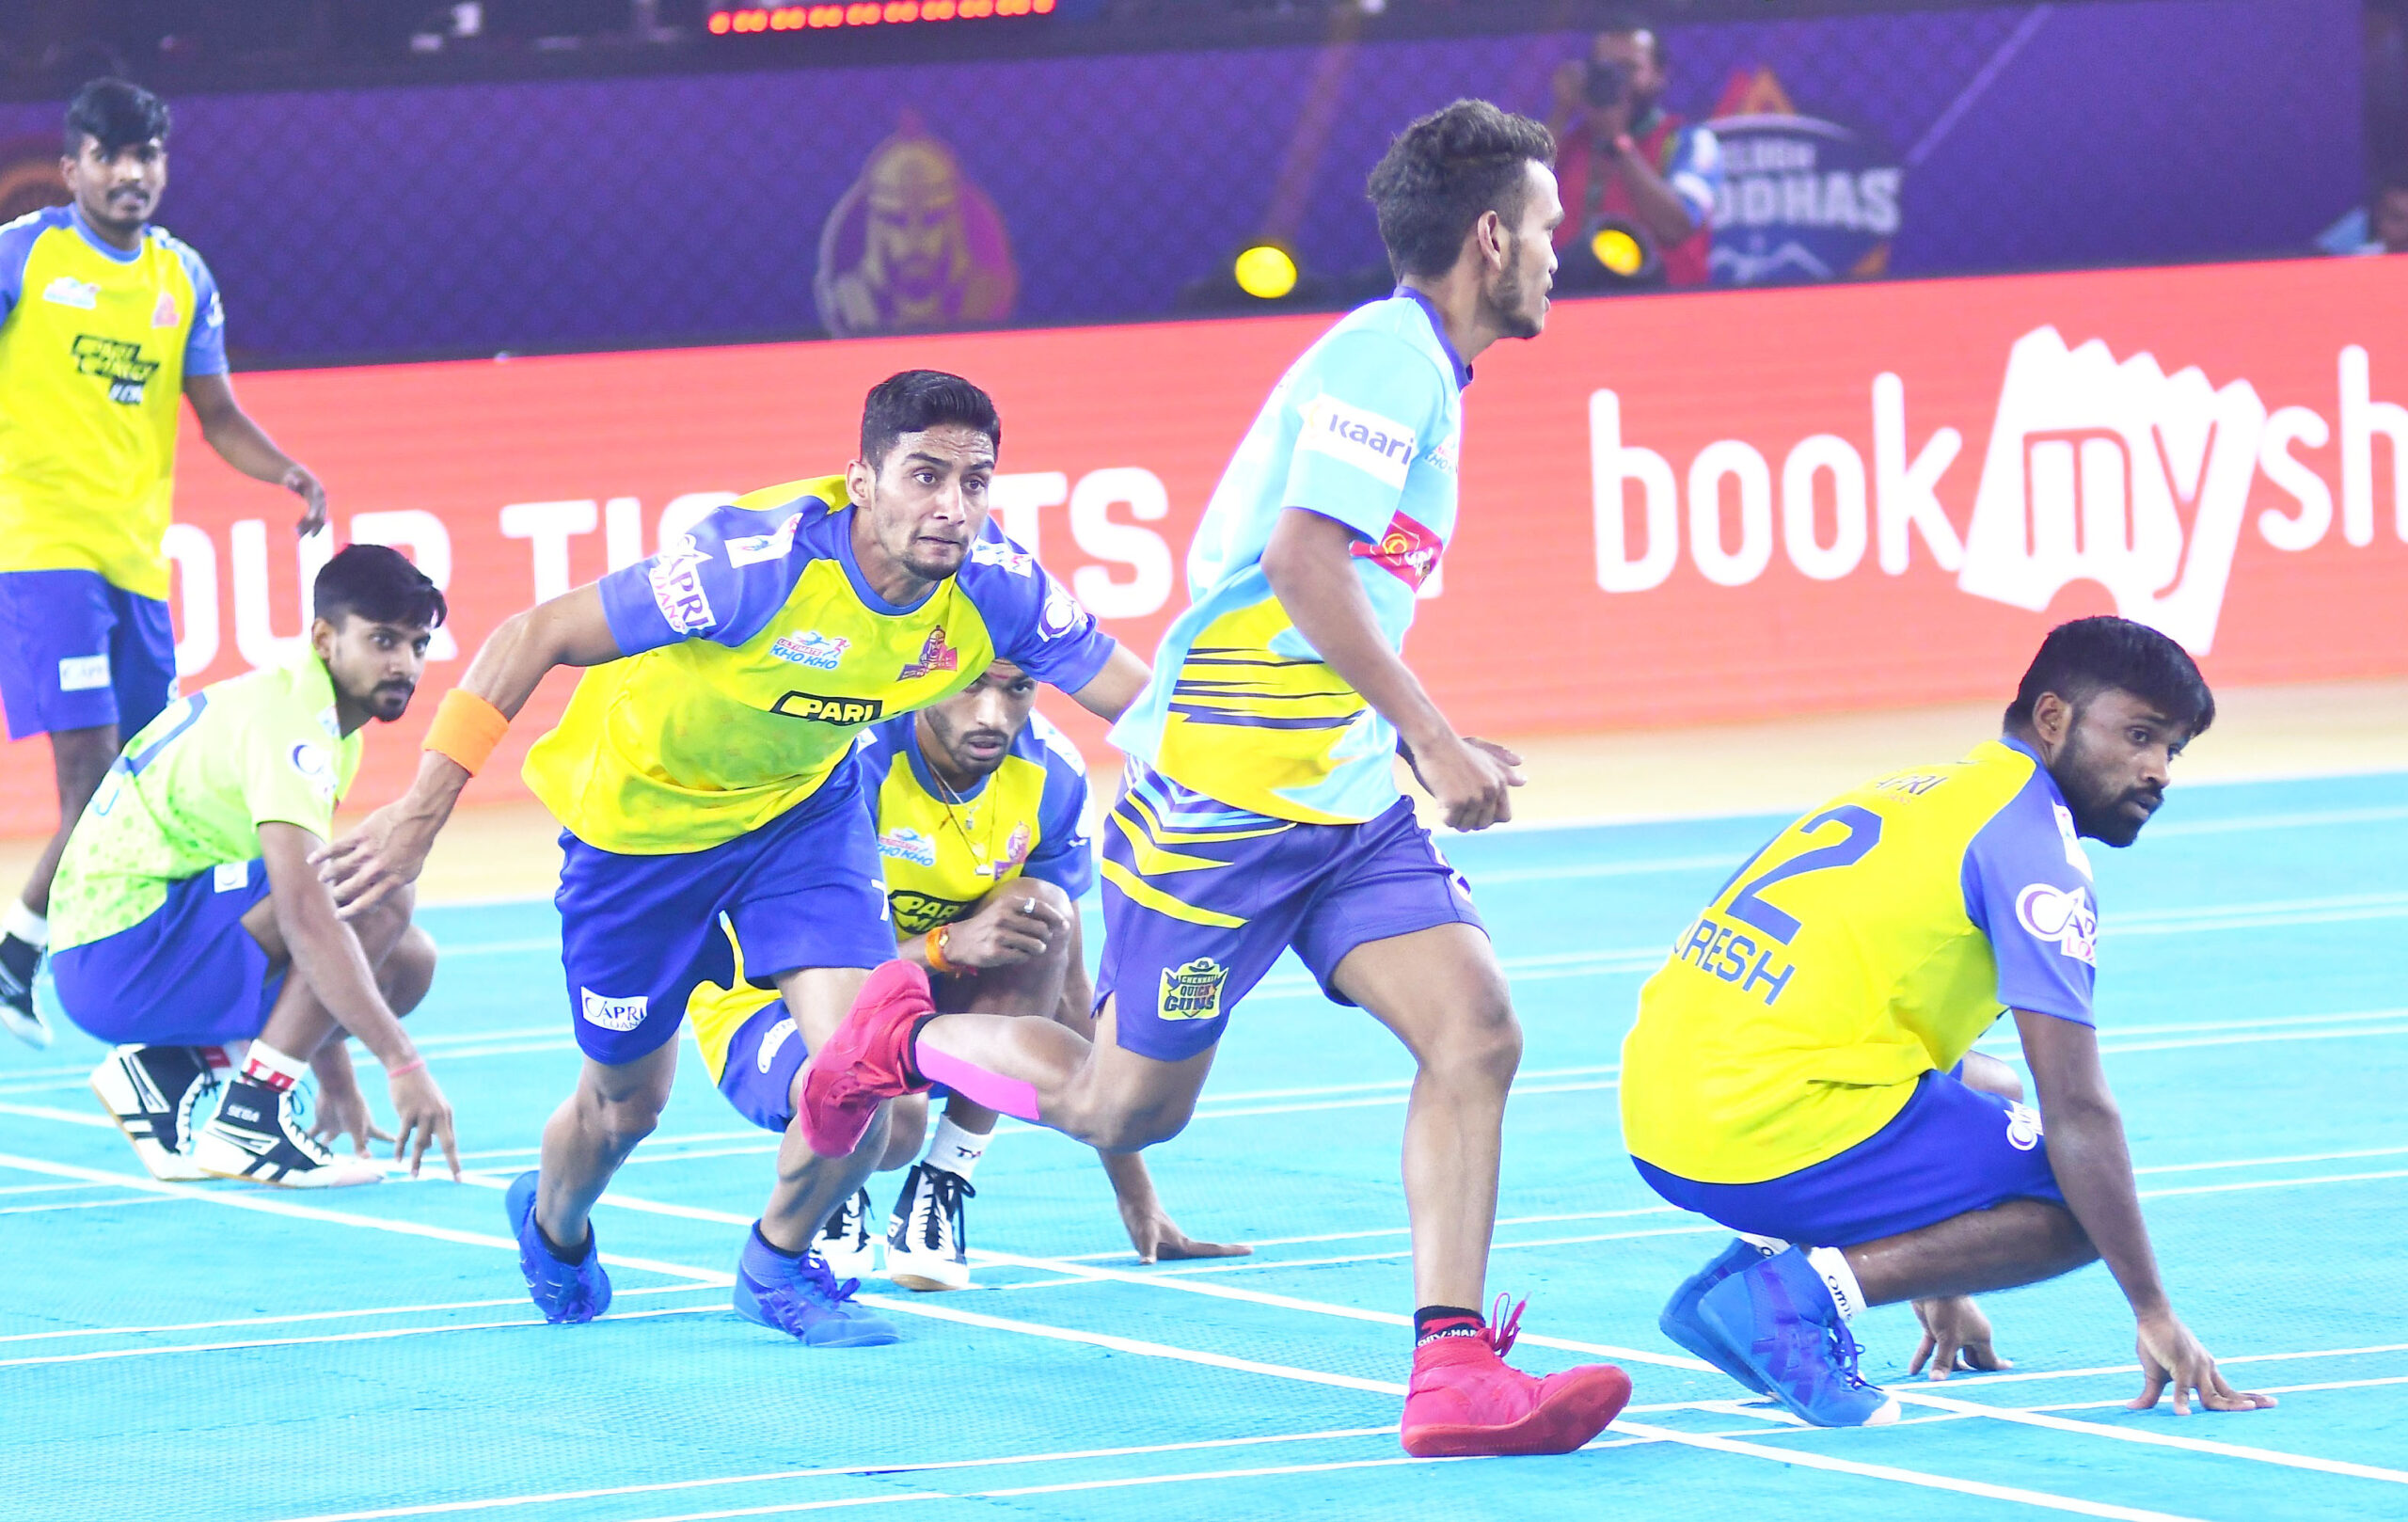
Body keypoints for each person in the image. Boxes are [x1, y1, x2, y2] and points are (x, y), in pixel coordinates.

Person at [796, 100, 1634, 1458]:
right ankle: (886, 1040)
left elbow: (1331, 589)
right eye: (1544, 228)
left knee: (1477, 1030)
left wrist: (1410, 739)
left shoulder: (1423, 371)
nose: (1559, 251)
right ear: (1492, 237)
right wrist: (1434, 735)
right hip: (1225, 809)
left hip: (1346, 805)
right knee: (1125, 1105)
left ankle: (1452, 1369)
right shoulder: (1388, 358)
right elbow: (1305, 560)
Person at [316, 370, 1149, 1347]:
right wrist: (420, 811)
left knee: (862, 1073)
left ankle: (776, 1263)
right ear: (862, 479)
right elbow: (532, 631)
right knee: (624, 1105)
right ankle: (553, 1222)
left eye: (974, 483)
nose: (950, 507)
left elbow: (1150, 707)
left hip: (800, 817)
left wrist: (1301, 770)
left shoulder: (1001, 591)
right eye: (923, 475)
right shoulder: (750, 563)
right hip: (638, 834)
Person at [1622, 617, 2279, 1427]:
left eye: (2172, 749)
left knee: (1991, 1083)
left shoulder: (1926, 790)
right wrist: (2152, 1310)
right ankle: (1788, 1300)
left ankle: (1733, 1287)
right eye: (2138, 736)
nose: (2156, 771)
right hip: (1755, 1130)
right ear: (2053, 719)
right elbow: (2079, 1109)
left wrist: (1938, 1272)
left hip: (1663, 1115)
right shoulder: (2037, 853)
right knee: (2080, 1199)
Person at [691, 658, 1244, 1292]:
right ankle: (833, 1182)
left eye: (1017, 690)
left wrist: (1136, 1191)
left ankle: (944, 1181)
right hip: (773, 996)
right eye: (971, 685)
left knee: (1042, 911)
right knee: (888, 1131)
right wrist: (945, 946)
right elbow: (807, 961)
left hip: (918, 1001)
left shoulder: (1049, 776)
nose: (993, 715)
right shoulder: (851, 763)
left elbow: (1068, 990)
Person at [0, 78, 327, 1049]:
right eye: (110, 155)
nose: (131, 172)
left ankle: (70, 964)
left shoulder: (182, 275)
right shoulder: (26, 255)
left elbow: (217, 413)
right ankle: (23, 947)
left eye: (146, 155)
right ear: (73, 168)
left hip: (135, 566)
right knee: (95, 777)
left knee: (148, 788)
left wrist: (288, 470)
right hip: (39, 549)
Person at [57, 545, 454, 1188]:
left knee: (406, 960)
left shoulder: (320, 721)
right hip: (119, 946)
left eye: (418, 645)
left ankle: (168, 1075)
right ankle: (252, 1120)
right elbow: (307, 914)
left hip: (127, 948)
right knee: (377, 889)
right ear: (325, 639)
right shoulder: (290, 723)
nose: (404, 664)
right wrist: (402, 1065)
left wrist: (337, 1079)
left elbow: (313, 920)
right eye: (383, 640)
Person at [1545, 21, 1719, 286]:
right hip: (1571, 304)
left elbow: (1676, 226)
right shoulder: (1568, 142)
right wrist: (1562, 109)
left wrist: (1617, 140)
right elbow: (1515, 192)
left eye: (1629, 68)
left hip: (1664, 305)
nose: (1618, 81)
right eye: (1606, 69)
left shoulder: (1687, 140)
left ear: (1659, 75)